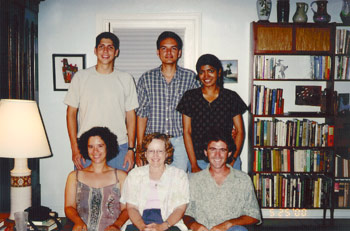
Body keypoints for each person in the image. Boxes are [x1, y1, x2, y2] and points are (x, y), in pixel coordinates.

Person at [64, 32, 138, 171]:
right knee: (85, 191)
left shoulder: (126, 79)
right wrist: (74, 148)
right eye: (101, 46)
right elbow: (71, 114)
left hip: (119, 148)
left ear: (116, 52)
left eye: (110, 47)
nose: (105, 51)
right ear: (95, 50)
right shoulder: (80, 77)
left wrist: (130, 149)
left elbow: (131, 116)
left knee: (120, 192)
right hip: (87, 148)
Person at [136, 31, 200, 171]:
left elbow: (199, 112)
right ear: (158, 52)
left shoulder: (190, 78)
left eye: (173, 48)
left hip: (180, 142)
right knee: (154, 184)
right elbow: (141, 115)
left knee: (179, 183)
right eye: (164, 48)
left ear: (180, 52)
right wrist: (139, 148)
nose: (169, 52)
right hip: (153, 142)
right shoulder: (146, 78)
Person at [177, 54, 247, 172]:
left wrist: (233, 159)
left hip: (227, 160)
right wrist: (194, 164)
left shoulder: (231, 97)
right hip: (199, 160)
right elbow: (187, 132)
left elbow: (240, 131)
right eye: (202, 72)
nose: (206, 76)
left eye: (210, 71)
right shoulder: (189, 97)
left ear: (219, 72)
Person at [183, 131, 261, 231]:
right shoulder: (194, 180)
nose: (217, 155)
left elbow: (254, 215)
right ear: (205, 152)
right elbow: (186, 214)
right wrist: (194, 225)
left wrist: (228, 224)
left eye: (222, 150)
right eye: (213, 149)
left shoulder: (243, 179)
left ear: (229, 153)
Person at [121, 133, 189, 231]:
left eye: (160, 151)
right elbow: (131, 207)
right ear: (145, 153)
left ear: (167, 154)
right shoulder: (134, 174)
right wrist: (142, 227)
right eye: (151, 151)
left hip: (169, 223)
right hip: (138, 223)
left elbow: (180, 208)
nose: (155, 155)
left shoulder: (179, 176)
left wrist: (163, 226)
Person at [64, 127, 128, 231]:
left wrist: (117, 225)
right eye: (90, 146)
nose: (95, 151)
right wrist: (78, 222)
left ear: (108, 146)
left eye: (100, 146)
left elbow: (127, 209)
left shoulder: (121, 176)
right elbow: (69, 207)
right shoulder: (74, 176)